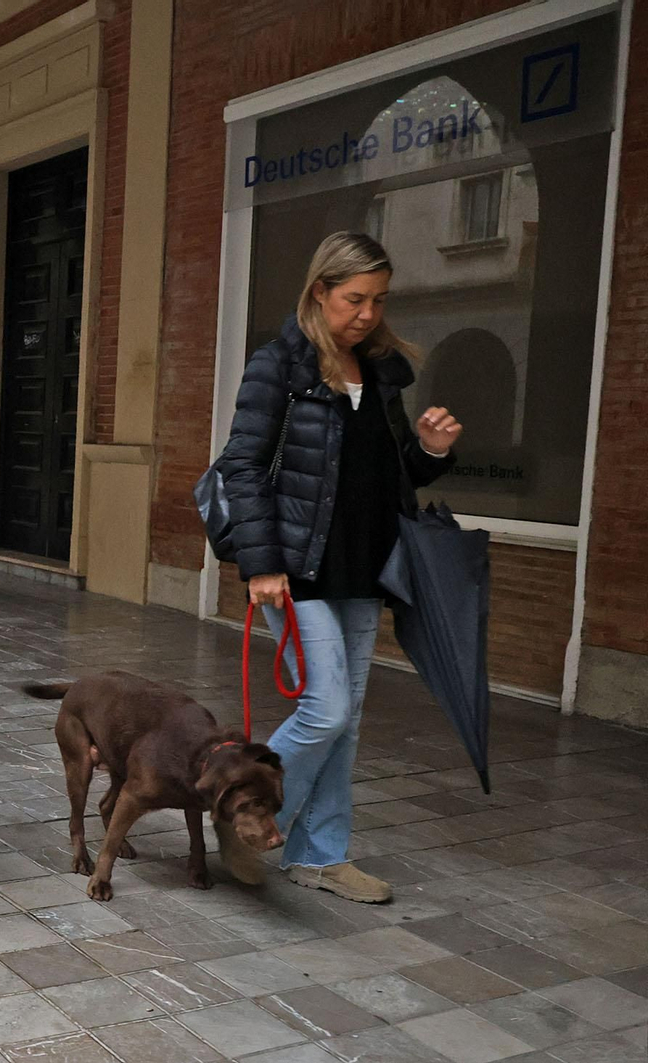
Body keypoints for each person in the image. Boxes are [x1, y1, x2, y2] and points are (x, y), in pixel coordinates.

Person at [216, 231, 463, 903]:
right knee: (324, 709)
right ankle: (239, 811)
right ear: (319, 290)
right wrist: (261, 562)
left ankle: (319, 855)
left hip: (362, 568)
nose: (367, 314)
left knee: (346, 719)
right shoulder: (279, 366)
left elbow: (389, 477)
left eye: (378, 300)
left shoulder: (379, 373)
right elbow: (242, 466)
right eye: (354, 298)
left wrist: (432, 451)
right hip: (295, 569)